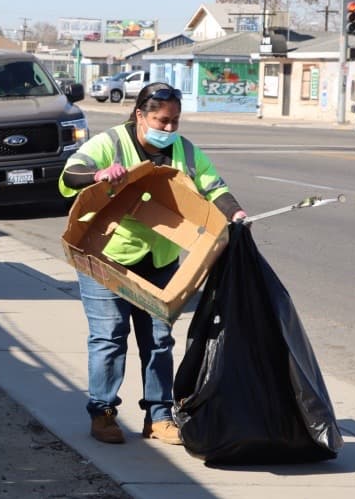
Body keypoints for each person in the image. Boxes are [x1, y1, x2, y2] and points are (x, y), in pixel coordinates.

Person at [59, 82, 247, 445]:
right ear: (140, 116)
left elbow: (214, 188)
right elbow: (70, 176)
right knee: (109, 338)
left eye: (175, 121)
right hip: (108, 259)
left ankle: (159, 417)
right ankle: (103, 413)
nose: (169, 129)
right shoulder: (111, 144)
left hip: (159, 262)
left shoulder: (185, 151)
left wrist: (235, 212)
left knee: (159, 340)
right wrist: (99, 175)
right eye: (162, 121)